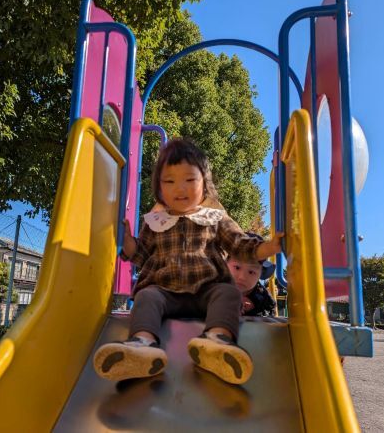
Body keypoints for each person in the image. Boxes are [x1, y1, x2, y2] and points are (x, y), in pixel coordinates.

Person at [93, 138, 283, 385]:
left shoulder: (215, 218)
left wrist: (268, 247)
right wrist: (128, 242)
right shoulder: (156, 222)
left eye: (190, 180)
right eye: (169, 181)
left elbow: (239, 244)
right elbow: (141, 253)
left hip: (207, 291)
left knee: (228, 293)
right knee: (146, 296)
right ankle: (142, 344)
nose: (180, 189)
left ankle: (217, 341)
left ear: (205, 184)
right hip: (164, 291)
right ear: (159, 188)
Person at [226, 234, 277, 317]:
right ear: (225, 265)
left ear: (260, 274)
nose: (242, 277)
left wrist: (254, 309)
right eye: (237, 267)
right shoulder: (214, 286)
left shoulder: (261, 295)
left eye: (251, 272)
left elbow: (270, 311)